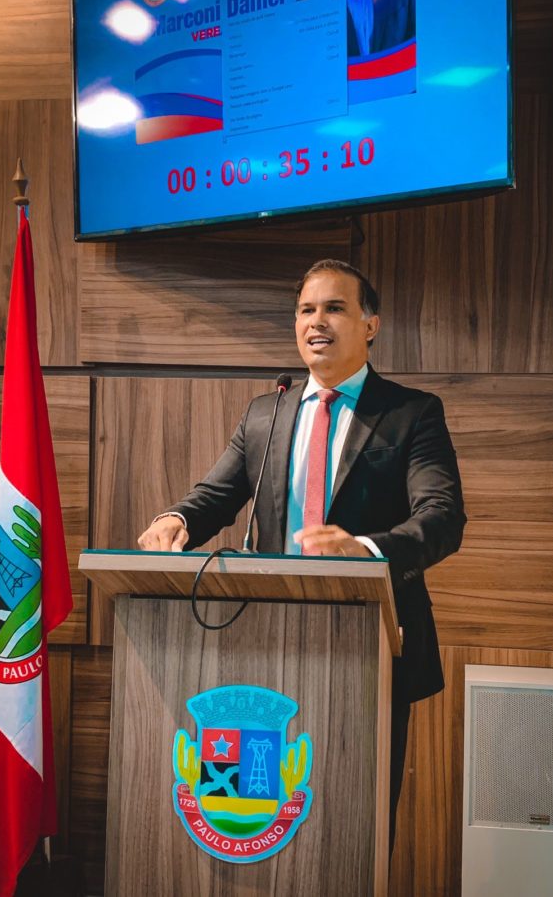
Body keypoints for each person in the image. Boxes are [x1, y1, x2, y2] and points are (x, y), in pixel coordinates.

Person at [138, 258, 466, 853]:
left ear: (370, 325)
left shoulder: (412, 413)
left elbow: (441, 517)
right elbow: (215, 497)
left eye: (334, 308)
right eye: (306, 310)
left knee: (355, 829)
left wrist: (366, 550)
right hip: (263, 639)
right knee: (257, 816)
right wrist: (175, 520)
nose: (317, 322)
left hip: (370, 643)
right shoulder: (267, 412)